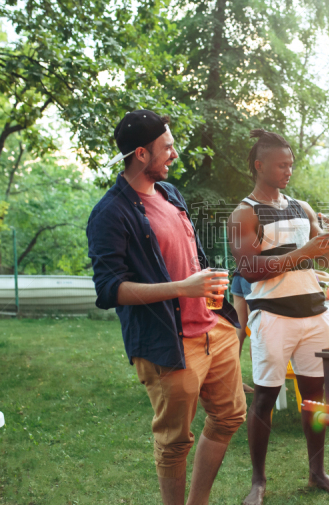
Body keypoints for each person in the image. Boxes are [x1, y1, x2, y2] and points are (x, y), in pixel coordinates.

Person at [87, 110, 246, 505]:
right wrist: (182, 287)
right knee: (175, 442)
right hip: (168, 344)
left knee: (230, 416)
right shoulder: (110, 213)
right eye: (167, 147)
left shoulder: (171, 194)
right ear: (141, 153)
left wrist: (207, 278)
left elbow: (185, 252)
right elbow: (109, 290)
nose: (174, 153)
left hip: (214, 330)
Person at [229, 129, 329, 505]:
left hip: (314, 313)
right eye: (281, 165)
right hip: (273, 317)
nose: (288, 170)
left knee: (315, 398)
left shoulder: (302, 207)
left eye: (291, 164)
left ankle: (317, 471)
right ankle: (259, 482)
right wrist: (305, 251)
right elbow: (247, 268)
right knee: (264, 398)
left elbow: (322, 257)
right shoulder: (243, 213)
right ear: (259, 165)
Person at [230, 272, 255, 393]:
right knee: (255, 331)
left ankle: (233, 382)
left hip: (238, 274)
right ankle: (263, 385)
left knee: (239, 332)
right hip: (254, 276)